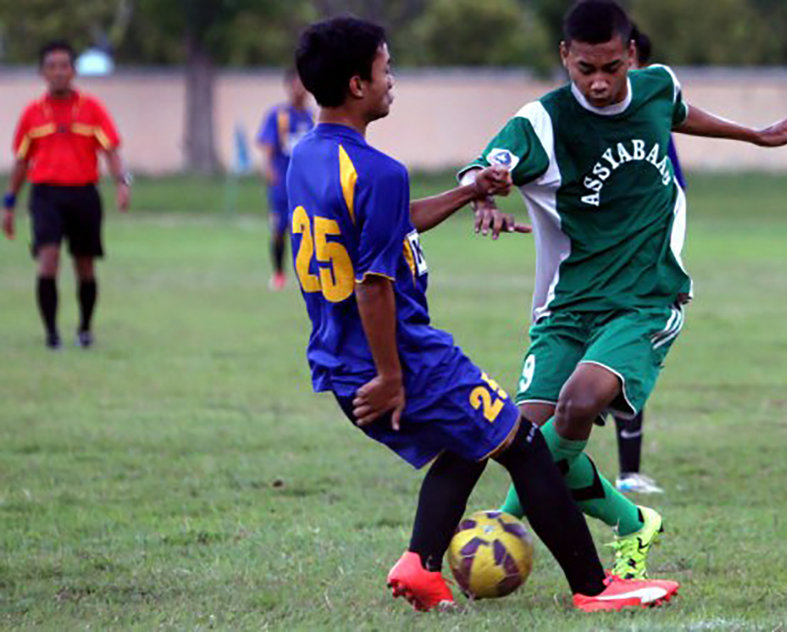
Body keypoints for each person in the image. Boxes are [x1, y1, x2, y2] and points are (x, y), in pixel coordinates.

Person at [288, 15, 678, 613]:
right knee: (522, 444)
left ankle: (419, 565)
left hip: (337, 354)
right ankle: (596, 588)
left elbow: (392, 221)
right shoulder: (380, 170)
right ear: (358, 84)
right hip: (403, 354)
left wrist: (470, 192)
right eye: (386, 69)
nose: (392, 80)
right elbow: (373, 281)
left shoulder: (309, 158)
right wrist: (392, 374)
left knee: (469, 445)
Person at [460, 0, 787, 580]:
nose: (599, 83)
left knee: (577, 404)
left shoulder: (655, 87)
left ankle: (500, 525)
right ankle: (631, 521)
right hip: (568, 306)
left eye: (611, 68)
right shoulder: (542, 121)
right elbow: (488, 165)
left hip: (647, 297)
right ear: (564, 58)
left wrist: (754, 136)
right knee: (526, 442)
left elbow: (677, 110)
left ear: (630, 55)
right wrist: (483, 191)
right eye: (585, 70)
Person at [3, 40, 131, 350]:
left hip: (84, 194)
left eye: (64, 66)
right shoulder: (32, 114)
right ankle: (51, 334)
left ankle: (85, 329)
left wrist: (121, 182)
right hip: (46, 195)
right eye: (52, 66)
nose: (59, 72)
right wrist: (9, 203)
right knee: (48, 260)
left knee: (85, 265)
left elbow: (110, 150)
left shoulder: (91, 109)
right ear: (42, 72)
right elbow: (21, 161)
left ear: (73, 71)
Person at [607, 25, 683, 496]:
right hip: (590, 273)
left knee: (627, 368)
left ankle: (628, 473)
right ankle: (536, 473)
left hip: (642, 270)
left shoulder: (653, 119)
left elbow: (672, 193)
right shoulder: (570, 120)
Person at [256, 68, 315, 291]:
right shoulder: (278, 114)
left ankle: (306, 275)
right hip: (282, 185)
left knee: (305, 229)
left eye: (304, 84)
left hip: (305, 186)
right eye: (296, 84)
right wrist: (269, 171)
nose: (300, 89)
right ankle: (279, 273)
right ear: (289, 86)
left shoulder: (311, 117)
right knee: (279, 229)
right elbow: (268, 146)